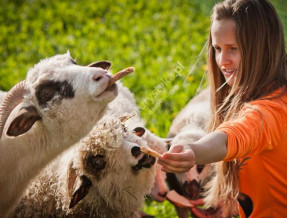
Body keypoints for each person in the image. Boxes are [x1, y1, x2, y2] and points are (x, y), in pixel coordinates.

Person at [158, 0, 287, 217]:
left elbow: (230, 137)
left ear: (262, 49)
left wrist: (194, 151)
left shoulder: (266, 113)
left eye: (233, 49)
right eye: (217, 48)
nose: (222, 61)